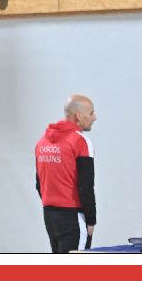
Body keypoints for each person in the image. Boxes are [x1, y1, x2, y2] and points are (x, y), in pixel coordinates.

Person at [34, 94, 97, 253]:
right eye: (91, 113)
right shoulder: (81, 142)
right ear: (79, 116)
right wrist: (91, 220)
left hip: (50, 216)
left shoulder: (42, 142)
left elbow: (39, 183)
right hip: (73, 217)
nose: (94, 118)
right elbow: (86, 186)